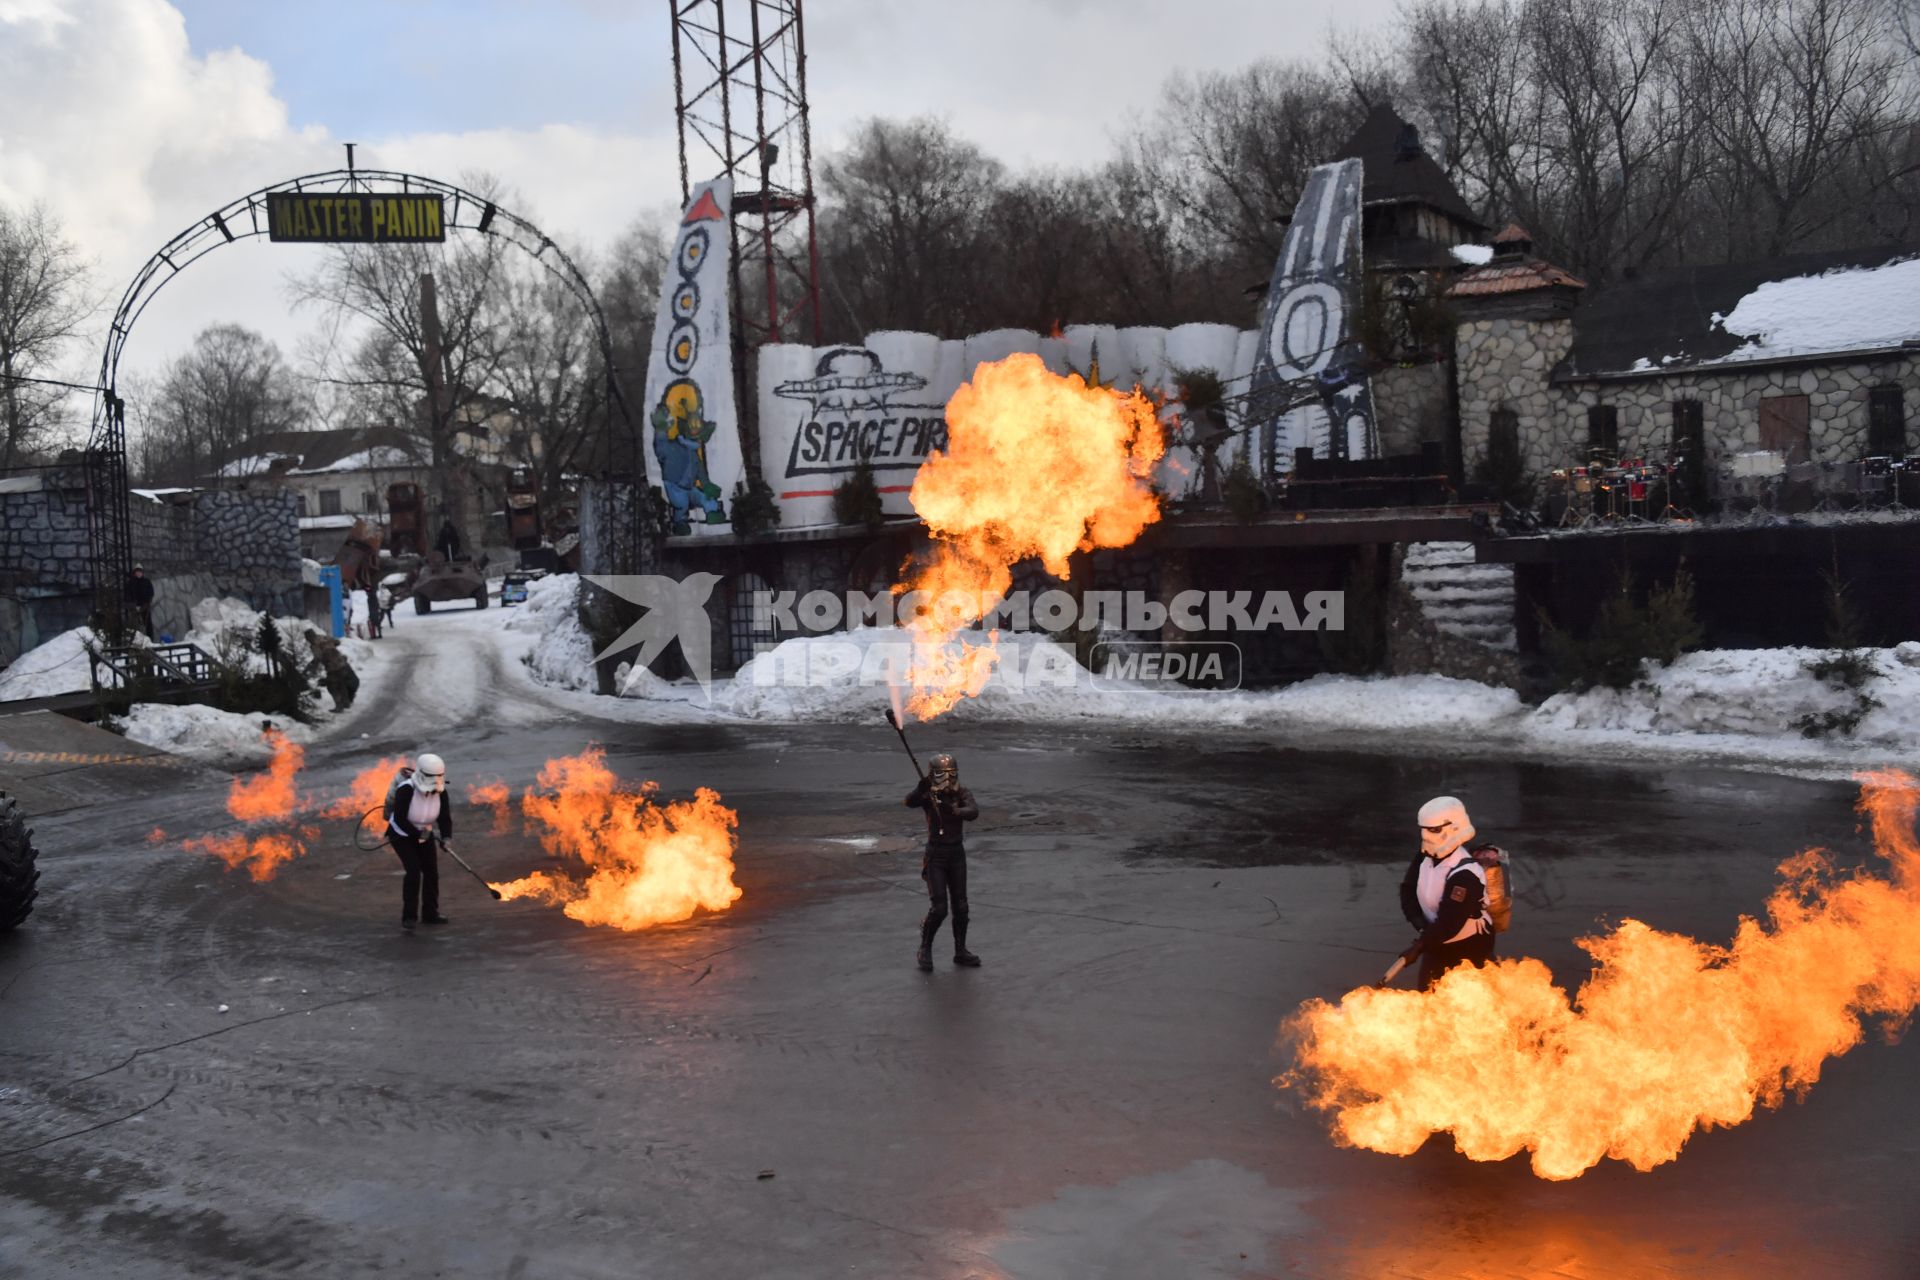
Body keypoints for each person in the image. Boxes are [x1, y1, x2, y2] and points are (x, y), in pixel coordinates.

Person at [1397, 795, 1495, 989]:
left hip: (1469, 948)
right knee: (1428, 999)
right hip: (1435, 941)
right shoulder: (1425, 856)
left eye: (1434, 830)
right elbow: (1407, 889)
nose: (1426, 836)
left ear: (1454, 828)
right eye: (1423, 829)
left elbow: (1450, 923)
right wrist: (1420, 926)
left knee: (1468, 1008)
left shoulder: (1466, 875)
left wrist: (1419, 946)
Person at [906, 753, 980, 972]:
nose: (947, 778)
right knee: (939, 908)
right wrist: (920, 790)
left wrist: (954, 810)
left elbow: (973, 811)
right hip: (936, 854)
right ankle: (925, 948)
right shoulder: (929, 795)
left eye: (951, 774)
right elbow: (908, 802)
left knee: (961, 906)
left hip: (956, 853)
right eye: (941, 774)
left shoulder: (962, 793)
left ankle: (960, 950)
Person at [388, 752, 453, 930]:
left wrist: (446, 838)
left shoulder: (441, 792)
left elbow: (444, 818)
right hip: (401, 835)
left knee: (431, 872)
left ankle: (430, 913)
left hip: (425, 833)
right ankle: (409, 916)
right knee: (414, 871)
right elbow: (400, 818)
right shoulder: (406, 789)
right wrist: (417, 834)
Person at [302, 627, 359, 711]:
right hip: (342, 663)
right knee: (342, 682)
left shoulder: (314, 644)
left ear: (308, 638)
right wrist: (330, 647)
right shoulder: (325, 637)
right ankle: (346, 702)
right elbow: (338, 642)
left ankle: (339, 706)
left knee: (332, 686)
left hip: (332, 667)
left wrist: (310, 668)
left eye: (307, 639)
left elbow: (318, 658)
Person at [124, 565, 156, 638]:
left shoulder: (146, 582)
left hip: (145, 606)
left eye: (140, 572)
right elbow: (127, 595)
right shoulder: (130, 583)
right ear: (134, 573)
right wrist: (133, 606)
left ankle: (149, 639)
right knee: (135, 625)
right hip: (134, 607)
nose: (139, 573)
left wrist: (146, 603)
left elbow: (151, 593)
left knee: (148, 624)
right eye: (137, 572)